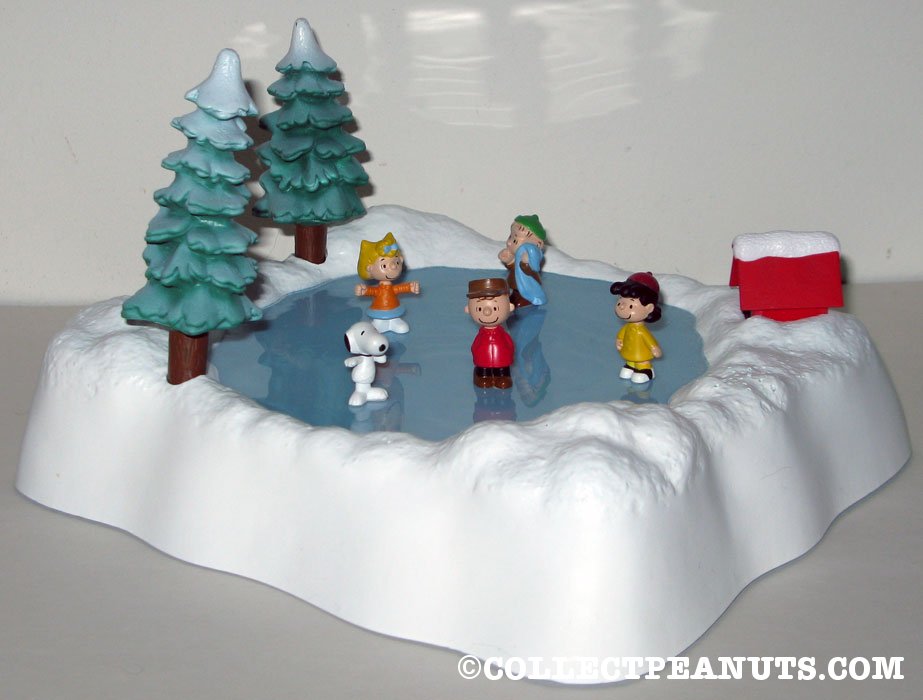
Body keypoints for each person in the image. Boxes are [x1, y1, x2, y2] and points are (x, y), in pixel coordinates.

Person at [355, 232, 420, 333]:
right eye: (384, 265)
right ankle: (380, 323)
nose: (393, 266)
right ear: (370, 268)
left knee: (402, 327)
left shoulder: (391, 287)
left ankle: (394, 322)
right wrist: (365, 291)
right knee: (377, 327)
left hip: (394, 308)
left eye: (396, 262)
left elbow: (397, 289)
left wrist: (410, 287)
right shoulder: (380, 289)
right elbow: (375, 291)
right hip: (379, 309)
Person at [610, 272, 663, 383]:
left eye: (630, 305)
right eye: (620, 301)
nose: (621, 307)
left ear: (649, 308)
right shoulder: (627, 327)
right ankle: (631, 366)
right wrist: (619, 340)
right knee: (629, 363)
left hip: (641, 355)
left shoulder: (641, 331)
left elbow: (649, 340)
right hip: (629, 352)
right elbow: (622, 334)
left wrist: (654, 348)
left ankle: (647, 371)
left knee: (641, 362)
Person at [464, 278, 516, 389]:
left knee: (502, 369)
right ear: (468, 309)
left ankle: (503, 376)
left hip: (502, 360)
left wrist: (509, 355)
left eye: (495, 308)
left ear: (510, 307)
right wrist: (476, 356)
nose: (487, 312)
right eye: (479, 309)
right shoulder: (481, 335)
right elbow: (474, 346)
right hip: (482, 360)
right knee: (483, 369)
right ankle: (482, 375)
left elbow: (510, 345)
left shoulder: (502, 334)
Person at [498, 214, 547, 307]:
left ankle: (526, 299)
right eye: (510, 237)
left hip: (528, 285)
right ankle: (515, 296)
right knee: (514, 293)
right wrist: (508, 261)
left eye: (515, 240)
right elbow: (514, 267)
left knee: (521, 295)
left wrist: (525, 263)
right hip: (516, 284)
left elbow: (530, 271)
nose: (509, 243)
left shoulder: (533, 258)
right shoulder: (518, 256)